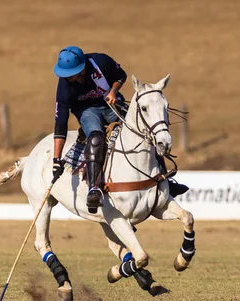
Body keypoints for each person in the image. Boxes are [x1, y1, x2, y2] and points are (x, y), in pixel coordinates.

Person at [51, 46, 188, 210]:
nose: (67, 78)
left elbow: (121, 76)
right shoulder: (64, 87)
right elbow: (60, 123)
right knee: (96, 138)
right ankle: (94, 189)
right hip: (87, 112)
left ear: (82, 69)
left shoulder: (101, 62)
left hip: (111, 103)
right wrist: (56, 159)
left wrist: (114, 91)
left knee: (145, 129)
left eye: (71, 74)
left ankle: (166, 180)